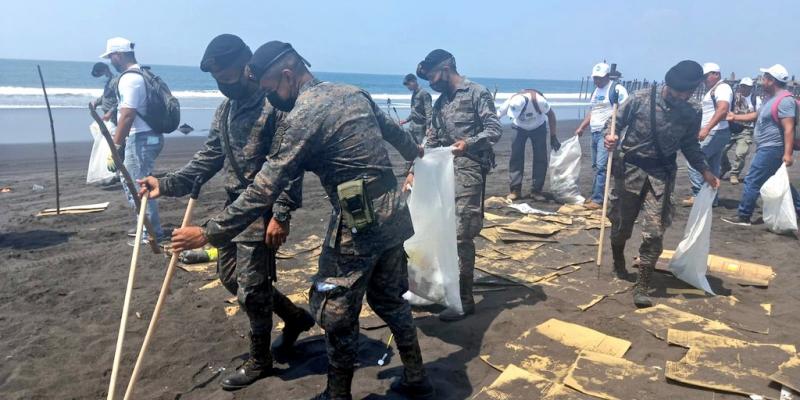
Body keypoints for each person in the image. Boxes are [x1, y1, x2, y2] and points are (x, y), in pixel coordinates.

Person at [168, 41, 433, 400]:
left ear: (288, 76)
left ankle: (336, 395)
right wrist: (414, 159)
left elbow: (263, 188)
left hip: (358, 222)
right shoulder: (353, 93)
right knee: (389, 299)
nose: (271, 98)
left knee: (335, 310)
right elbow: (399, 137)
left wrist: (209, 232)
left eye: (270, 89)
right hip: (395, 213)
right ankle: (417, 377)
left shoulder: (302, 117)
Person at [138, 34, 314, 391]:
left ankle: (261, 360)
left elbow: (290, 166)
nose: (223, 86)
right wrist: (166, 184)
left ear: (248, 67)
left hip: (262, 208)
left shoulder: (274, 106)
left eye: (228, 78)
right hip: (234, 208)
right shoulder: (226, 110)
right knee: (231, 277)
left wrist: (281, 213)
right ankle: (295, 318)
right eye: (217, 81)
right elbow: (208, 159)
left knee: (250, 287)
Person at [604, 60, 720, 308]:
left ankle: (642, 284)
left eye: (687, 93)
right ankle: (618, 262)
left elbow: (690, 145)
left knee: (655, 232)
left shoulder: (692, 110)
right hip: (630, 170)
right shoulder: (640, 99)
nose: (681, 97)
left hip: (661, 175)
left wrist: (705, 170)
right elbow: (613, 123)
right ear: (668, 84)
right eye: (678, 91)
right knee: (621, 225)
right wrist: (609, 137)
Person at [410, 49, 502, 322]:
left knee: (461, 234)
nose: (431, 83)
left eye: (433, 76)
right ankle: (442, 291)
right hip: (444, 173)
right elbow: (432, 138)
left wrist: (468, 144)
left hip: (470, 171)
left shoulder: (476, 93)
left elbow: (494, 129)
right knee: (439, 230)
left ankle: (463, 299)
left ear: (447, 67)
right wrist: (412, 170)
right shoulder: (440, 103)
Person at [100, 37, 165, 245]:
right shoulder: (142, 74)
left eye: (111, 56)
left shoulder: (130, 78)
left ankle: (150, 233)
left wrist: (116, 146)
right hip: (148, 136)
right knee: (139, 184)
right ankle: (145, 225)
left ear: (118, 55)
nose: (110, 60)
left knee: (139, 187)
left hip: (142, 138)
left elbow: (128, 115)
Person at [723, 64, 800, 226]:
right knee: (777, 180)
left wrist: (787, 153)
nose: (761, 81)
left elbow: (789, 128)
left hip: (773, 148)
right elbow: (755, 116)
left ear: (771, 81)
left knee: (752, 179)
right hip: (768, 147)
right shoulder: (769, 100)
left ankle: (744, 215)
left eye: (764, 78)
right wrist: (734, 116)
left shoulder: (785, 101)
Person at [575, 63, 629, 209]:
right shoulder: (596, 91)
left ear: (606, 76)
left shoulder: (617, 89)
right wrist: (582, 127)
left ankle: (598, 200)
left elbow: (625, 110)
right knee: (596, 166)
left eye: (599, 78)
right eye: (594, 78)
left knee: (601, 166)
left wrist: (616, 131)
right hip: (594, 132)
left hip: (607, 134)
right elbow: (593, 111)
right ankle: (598, 195)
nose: (596, 81)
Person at [682, 62, 732, 207]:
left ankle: (699, 195)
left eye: (706, 76)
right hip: (719, 131)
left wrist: (707, 128)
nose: (703, 80)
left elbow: (723, 109)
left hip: (716, 131)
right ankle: (711, 198)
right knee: (712, 166)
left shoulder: (722, 88)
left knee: (694, 162)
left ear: (716, 74)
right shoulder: (715, 89)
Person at [496, 89, 558, 201]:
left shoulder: (538, 101)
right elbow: (496, 117)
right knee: (516, 157)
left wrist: (553, 136)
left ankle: (536, 191)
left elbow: (551, 115)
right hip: (518, 128)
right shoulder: (510, 101)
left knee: (540, 158)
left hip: (538, 127)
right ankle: (515, 190)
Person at [721, 77, 761, 184]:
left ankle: (734, 174)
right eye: (743, 86)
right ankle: (725, 166)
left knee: (741, 153)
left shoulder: (756, 100)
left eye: (747, 87)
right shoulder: (733, 97)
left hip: (746, 130)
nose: (744, 89)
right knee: (721, 150)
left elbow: (758, 115)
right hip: (731, 128)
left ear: (751, 88)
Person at [399, 73, 432, 144]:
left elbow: (429, 112)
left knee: (420, 149)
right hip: (412, 126)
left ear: (413, 81)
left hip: (420, 127)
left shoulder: (424, 94)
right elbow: (414, 111)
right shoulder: (414, 94)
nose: (408, 87)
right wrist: (406, 120)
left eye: (408, 84)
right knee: (411, 147)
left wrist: (428, 128)